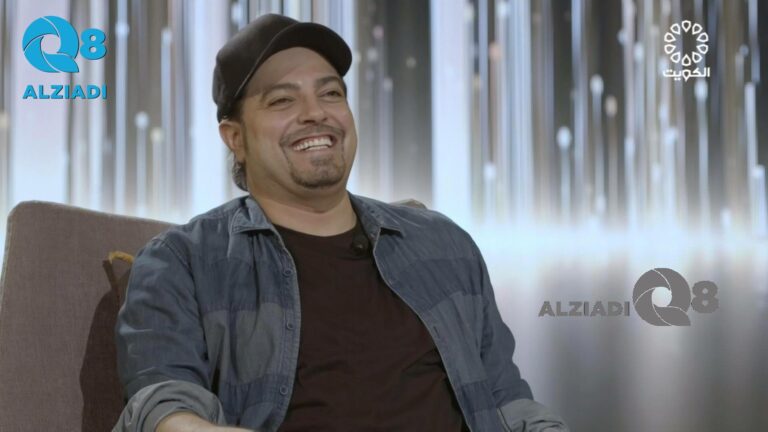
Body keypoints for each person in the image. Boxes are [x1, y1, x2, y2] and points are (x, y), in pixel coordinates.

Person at [113, 13, 569, 432]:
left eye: (331, 93)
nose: (316, 112)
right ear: (236, 138)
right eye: (282, 100)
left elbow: (506, 400)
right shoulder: (183, 261)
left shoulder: (443, 243)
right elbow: (165, 410)